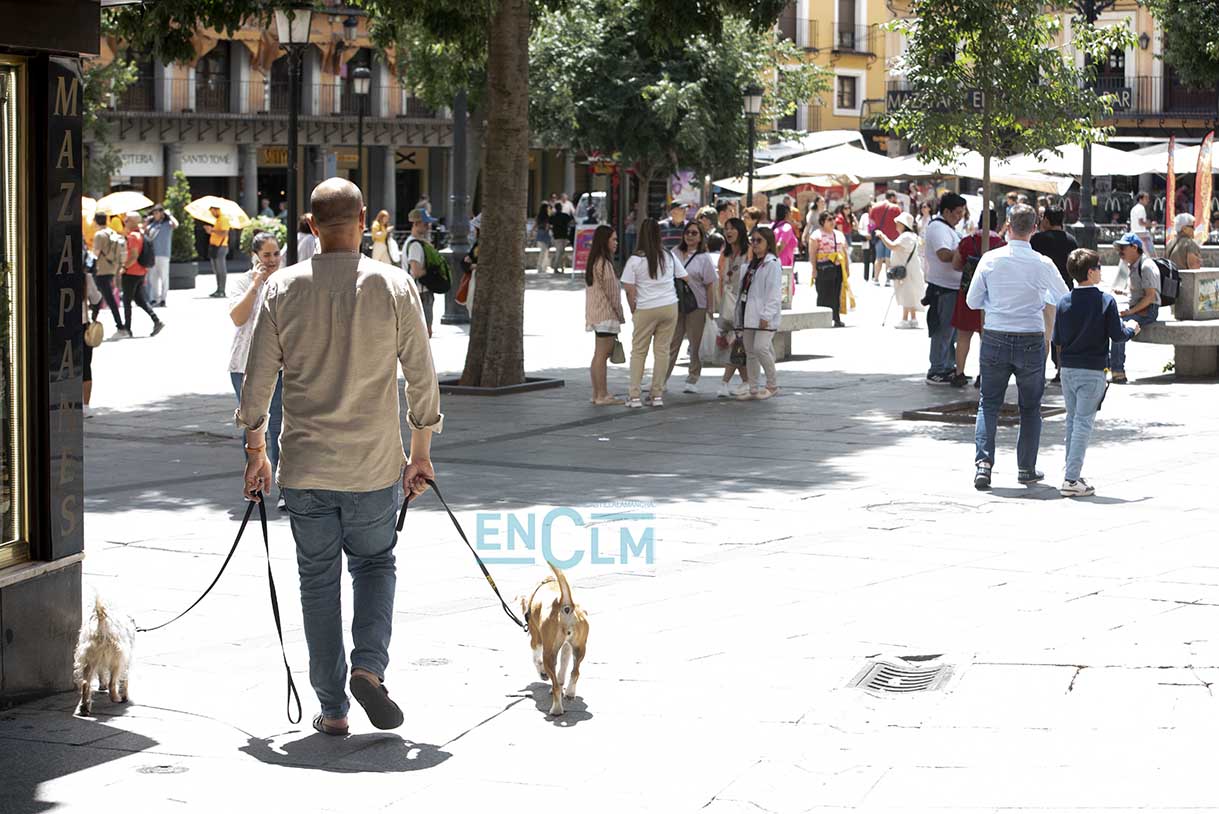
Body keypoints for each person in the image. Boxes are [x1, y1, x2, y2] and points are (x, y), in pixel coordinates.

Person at [237, 177, 440, 738]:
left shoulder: (281, 288)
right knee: (375, 564)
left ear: (309, 227)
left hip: (304, 467)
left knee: (317, 582)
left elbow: (256, 385)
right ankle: (369, 666)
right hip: (374, 465)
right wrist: (419, 452)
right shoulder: (394, 286)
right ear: (365, 222)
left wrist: (256, 452)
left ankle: (332, 708)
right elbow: (421, 378)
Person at [966, 204, 1069, 490]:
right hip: (1030, 336)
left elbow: (972, 301)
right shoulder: (1043, 263)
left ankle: (983, 465)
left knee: (989, 403)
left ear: (1007, 225)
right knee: (1030, 407)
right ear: (1035, 228)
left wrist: (995, 304)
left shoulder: (990, 259)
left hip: (996, 333)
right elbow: (1064, 298)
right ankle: (1026, 468)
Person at [1052, 248, 1141, 497]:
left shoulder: (1064, 301)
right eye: (1099, 267)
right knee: (1083, 423)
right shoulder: (1105, 301)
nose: (1101, 271)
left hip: (1068, 368)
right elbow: (1117, 335)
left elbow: (1057, 338)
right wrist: (1133, 328)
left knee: (1072, 420)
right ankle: (1071, 478)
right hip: (1092, 370)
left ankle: (1072, 472)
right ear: (1090, 272)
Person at [229, 232, 285, 509]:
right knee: (253, 423)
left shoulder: (287, 281)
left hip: (282, 364)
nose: (273, 260)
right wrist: (255, 284)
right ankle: (256, 482)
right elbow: (238, 318)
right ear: (255, 256)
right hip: (245, 364)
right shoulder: (242, 281)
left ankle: (284, 486)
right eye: (267, 255)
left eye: (276, 254)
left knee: (277, 425)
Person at [620, 218, 686, 408]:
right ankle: (657, 395)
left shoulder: (635, 260)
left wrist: (634, 309)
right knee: (662, 351)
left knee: (639, 351)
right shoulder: (668, 256)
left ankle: (634, 396)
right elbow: (684, 277)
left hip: (646, 308)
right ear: (659, 235)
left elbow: (629, 289)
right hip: (669, 306)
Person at [951, 209, 1006, 388]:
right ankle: (984, 374)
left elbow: (956, 264)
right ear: (996, 222)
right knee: (987, 337)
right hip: (991, 294)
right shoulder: (1000, 243)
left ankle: (959, 373)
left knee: (963, 335)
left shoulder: (967, 240)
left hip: (968, 292)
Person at [1030, 206, 1080, 383]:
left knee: (1044, 334)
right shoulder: (1071, 240)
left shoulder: (1037, 240)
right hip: (1065, 291)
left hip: (1043, 292)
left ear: (1047, 220)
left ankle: (1039, 372)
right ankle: (1061, 370)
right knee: (1061, 335)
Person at [668, 221, 718, 393]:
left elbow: (710, 284)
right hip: (676, 303)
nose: (690, 235)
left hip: (698, 304)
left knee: (695, 343)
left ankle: (693, 378)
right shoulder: (674, 252)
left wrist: (711, 308)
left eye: (694, 233)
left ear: (700, 237)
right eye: (687, 232)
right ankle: (661, 378)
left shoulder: (704, 258)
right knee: (672, 342)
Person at [923, 193, 967, 385]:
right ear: (947, 211)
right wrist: (964, 252)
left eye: (962, 213)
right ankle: (937, 369)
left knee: (951, 332)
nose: (960, 217)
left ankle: (948, 366)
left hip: (953, 287)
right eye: (957, 213)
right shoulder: (938, 228)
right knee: (943, 331)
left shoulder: (949, 228)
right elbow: (943, 254)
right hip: (943, 288)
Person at [1108, 233, 1161, 384]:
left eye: (1123, 247)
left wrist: (1130, 312)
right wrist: (1124, 293)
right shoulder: (1134, 265)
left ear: (1134, 247)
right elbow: (1140, 292)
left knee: (1120, 327)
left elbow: (1150, 297)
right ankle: (1108, 365)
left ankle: (1118, 371)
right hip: (1138, 308)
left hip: (1147, 311)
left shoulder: (1146, 266)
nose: (1120, 251)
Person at [737, 226, 783, 400]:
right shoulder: (751, 264)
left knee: (760, 348)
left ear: (768, 243)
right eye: (752, 240)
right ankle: (753, 387)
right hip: (748, 314)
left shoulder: (772, 264)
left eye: (759, 240)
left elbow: (774, 293)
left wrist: (767, 315)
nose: (754, 244)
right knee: (750, 351)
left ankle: (772, 384)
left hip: (763, 315)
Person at [584, 225, 625, 406]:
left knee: (598, 354)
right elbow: (613, 294)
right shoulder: (604, 264)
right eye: (613, 239)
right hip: (606, 315)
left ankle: (597, 393)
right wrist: (620, 315)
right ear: (605, 241)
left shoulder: (594, 262)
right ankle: (602, 395)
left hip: (596, 315)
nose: (616, 243)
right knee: (602, 355)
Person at [715, 217, 751, 398]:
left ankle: (725, 382)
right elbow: (721, 280)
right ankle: (747, 382)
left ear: (740, 230)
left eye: (732, 228)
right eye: (725, 229)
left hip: (745, 305)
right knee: (736, 344)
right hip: (728, 306)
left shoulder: (749, 252)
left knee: (738, 343)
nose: (728, 232)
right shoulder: (725, 254)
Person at [875, 211, 924, 328]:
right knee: (910, 294)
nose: (896, 225)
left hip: (907, 271)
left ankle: (905, 320)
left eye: (898, 223)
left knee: (906, 293)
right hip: (911, 269)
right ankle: (913, 319)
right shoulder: (912, 236)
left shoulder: (906, 237)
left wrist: (882, 236)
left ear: (903, 224)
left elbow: (892, 246)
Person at [121, 212, 166, 337]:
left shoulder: (133, 236)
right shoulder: (141, 234)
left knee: (126, 301)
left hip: (131, 272)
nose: (125, 221)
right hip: (141, 271)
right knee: (140, 300)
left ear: (132, 222)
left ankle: (127, 328)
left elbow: (134, 255)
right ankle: (156, 320)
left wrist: (124, 267)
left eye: (127, 220)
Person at [90, 212, 128, 335]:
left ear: (96, 221)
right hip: (111, 268)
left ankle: (120, 326)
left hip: (101, 269)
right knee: (101, 297)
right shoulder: (111, 232)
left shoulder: (99, 235)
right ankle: (93, 322)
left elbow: (95, 253)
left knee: (106, 298)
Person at [810, 211, 850, 328]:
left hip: (837, 267)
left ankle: (836, 318)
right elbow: (812, 253)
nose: (833, 222)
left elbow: (844, 251)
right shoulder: (816, 235)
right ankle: (821, 318)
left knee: (836, 293)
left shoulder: (839, 234)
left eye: (833, 219)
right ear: (823, 222)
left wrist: (847, 267)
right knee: (823, 293)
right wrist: (813, 269)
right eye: (829, 220)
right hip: (823, 267)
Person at [403, 208, 437, 337]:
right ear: (416, 224)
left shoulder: (414, 242)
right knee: (425, 333)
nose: (429, 226)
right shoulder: (415, 245)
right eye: (425, 223)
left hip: (419, 292)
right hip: (421, 292)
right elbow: (416, 271)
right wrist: (433, 274)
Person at [144, 204, 177, 308]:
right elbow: (146, 233)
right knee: (153, 278)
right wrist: (147, 221)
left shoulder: (168, 224)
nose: (155, 214)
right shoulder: (152, 225)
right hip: (153, 254)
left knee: (164, 278)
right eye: (154, 212)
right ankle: (154, 298)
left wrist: (169, 215)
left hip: (164, 254)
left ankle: (163, 299)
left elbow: (176, 224)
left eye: (157, 212)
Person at [868, 191, 902, 284]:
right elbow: (900, 222)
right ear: (892, 198)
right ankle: (888, 279)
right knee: (888, 258)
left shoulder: (875, 207)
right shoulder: (896, 208)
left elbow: (871, 221)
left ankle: (876, 279)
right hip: (892, 236)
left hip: (879, 235)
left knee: (878, 258)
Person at [205, 205, 231, 298]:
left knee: (221, 269)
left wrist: (212, 230)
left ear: (216, 210)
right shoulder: (218, 220)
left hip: (221, 246)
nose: (211, 214)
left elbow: (225, 232)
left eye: (212, 211)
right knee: (216, 269)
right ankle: (218, 289)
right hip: (215, 246)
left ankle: (222, 290)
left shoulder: (223, 219)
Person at [550, 202, 574, 272]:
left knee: (560, 252)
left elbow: (550, 224)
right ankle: (557, 267)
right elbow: (571, 222)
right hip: (563, 235)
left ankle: (560, 267)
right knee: (561, 252)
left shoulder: (553, 216)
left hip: (556, 236)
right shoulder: (565, 216)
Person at [1129, 191, 1154, 257]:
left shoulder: (1134, 208)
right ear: (1140, 199)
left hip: (1133, 233)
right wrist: (1151, 225)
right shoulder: (1141, 208)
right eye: (1146, 198)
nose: (1148, 200)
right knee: (1150, 253)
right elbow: (1141, 223)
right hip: (1141, 234)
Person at [533, 203, 553, 274]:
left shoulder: (538, 216)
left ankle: (544, 266)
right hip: (545, 233)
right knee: (544, 251)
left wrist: (532, 233)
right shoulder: (547, 216)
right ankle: (540, 266)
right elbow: (547, 226)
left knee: (543, 251)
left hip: (539, 233)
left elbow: (535, 225)